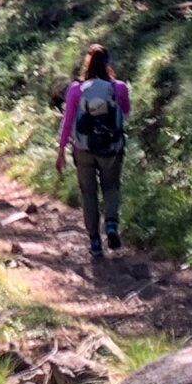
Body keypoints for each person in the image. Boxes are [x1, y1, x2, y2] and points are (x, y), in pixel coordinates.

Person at [54, 43, 131, 257]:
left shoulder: (76, 89)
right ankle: (112, 226)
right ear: (108, 63)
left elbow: (68, 122)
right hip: (111, 147)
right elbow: (125, 111)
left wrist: (60, 151)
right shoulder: (119, 88)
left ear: (87, 63)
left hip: (83, 147)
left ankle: (95, 242)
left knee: (88, 193)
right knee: (111, 188)